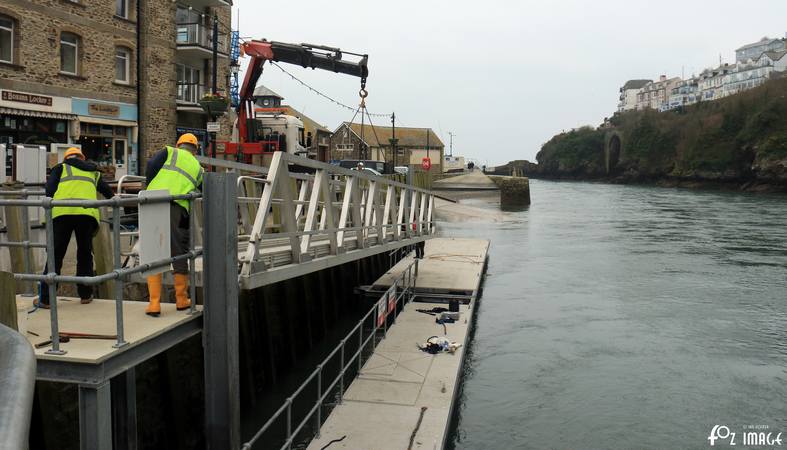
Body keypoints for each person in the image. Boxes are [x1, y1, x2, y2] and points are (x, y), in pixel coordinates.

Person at [36, 147, 114, 308]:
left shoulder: (60, 168)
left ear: (66, 158)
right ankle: (85, 294)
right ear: (82, 158)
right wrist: (115, 199)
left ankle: (46, 299)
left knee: (55, 254)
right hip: (86, 214)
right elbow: (108, 192)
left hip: (62, 213)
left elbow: (49, 190)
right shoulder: (93, 171)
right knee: (84, 253)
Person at [144, 133, 203, 317]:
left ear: (178, 145)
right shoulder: (198, 167)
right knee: (179, 252)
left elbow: (151, 166)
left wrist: (149, 188)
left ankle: (154, 304)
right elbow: (202, 190)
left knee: (154, 251)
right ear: (195, 150)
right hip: (178, 208)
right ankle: (181, 299)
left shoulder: (167, 152)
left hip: (152, 202)